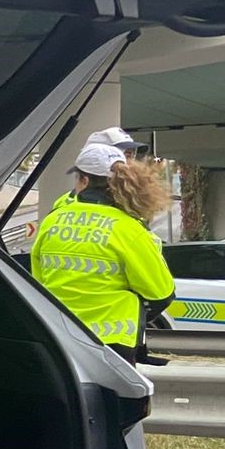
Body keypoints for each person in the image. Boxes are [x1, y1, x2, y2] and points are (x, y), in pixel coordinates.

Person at [30, 143, 175, 363]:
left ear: (84, 181)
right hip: (113, 341)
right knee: (116, 398)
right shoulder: (128, 228)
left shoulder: (52, 221)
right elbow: (161, 292)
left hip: (59, 337)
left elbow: (38, 281)